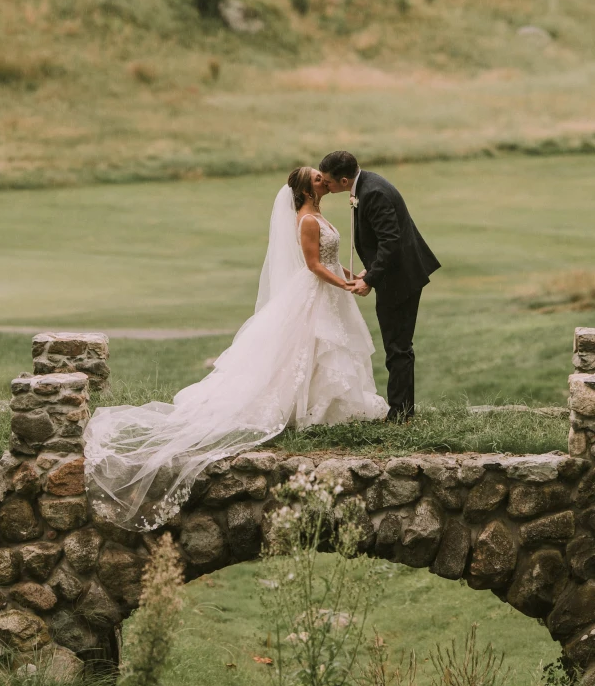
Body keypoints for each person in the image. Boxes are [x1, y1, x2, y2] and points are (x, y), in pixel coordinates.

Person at [84, 167, 388, 530]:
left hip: (329, 294)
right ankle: (305, 407)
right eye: (317, 178)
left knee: (325, 350)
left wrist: (351, 276)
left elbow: (330, 258)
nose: (324, 178)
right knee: (308, 348)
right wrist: (342, 284)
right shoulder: (307, 220)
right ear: (308, 189)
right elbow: (312, 265)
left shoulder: (319, 213)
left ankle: (328, 404)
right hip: (315, 294)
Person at [319, 151, 440, 423]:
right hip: (393, 274)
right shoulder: (366, 185)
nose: (325, 186)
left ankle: (400, 414)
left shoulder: (373, 193)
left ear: (344, 179)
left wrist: (369, 279)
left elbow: (390, 242)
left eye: (328, 182)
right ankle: (402, 410)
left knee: (397, 347)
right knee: (397, 345)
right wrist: (370, 270)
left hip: (400, 278)